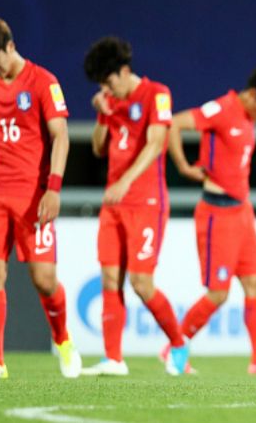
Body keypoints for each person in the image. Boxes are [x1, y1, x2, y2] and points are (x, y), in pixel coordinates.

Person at [0, 17, 81, 379]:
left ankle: (63, 341)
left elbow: (60, 136)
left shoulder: (44, 82)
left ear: (10, 46)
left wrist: (54, 188)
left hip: (33, 194)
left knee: (44, 279)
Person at [166, 65, 256, 375]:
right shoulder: (221, 109)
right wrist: (184, 166)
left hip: (242, 212)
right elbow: (173, 124)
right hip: (217, 214)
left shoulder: (248, 117)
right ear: (252, 94)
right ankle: (174, 347)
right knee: (218, 293)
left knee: (254, 282)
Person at [81, 36, 188, 376]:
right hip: (114, 203)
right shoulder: (111, 101)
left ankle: (179, 343)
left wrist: (126, 181)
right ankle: (113, 359)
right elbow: (99, 148)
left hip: (146, 202)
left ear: (125, 71)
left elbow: (156, 142)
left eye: (109, 81)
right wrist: (101, 115)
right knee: (109, 279)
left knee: (141, 284)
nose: (106, 88)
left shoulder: (158, 93)